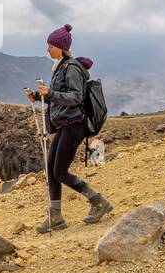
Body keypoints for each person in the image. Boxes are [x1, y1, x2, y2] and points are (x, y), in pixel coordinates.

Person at [24, 24, 114, 232]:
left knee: (60, 172)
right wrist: (38, 97)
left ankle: (98, 202)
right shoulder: (61, 66)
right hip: (65, 124)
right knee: (51, 170)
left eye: (50, 46)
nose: (47, 49)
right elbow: (58, 99)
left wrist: (50, 93)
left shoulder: (71, 68)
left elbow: (75, 97)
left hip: (74, 125)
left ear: (61, 46)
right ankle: (55, 217)